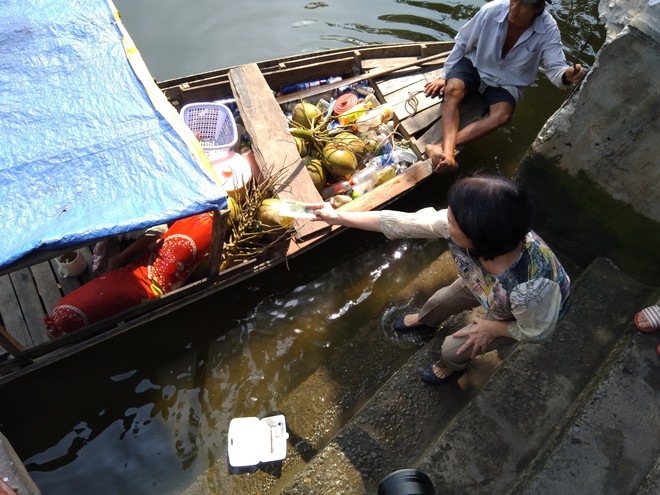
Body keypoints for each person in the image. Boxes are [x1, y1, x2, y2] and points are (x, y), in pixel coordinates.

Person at [310, 173, 571, 385]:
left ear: (477, 237)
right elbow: (401, 223)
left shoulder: (532, 287)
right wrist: (337, 217)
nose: (446, 219)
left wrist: (492, 328)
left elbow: (537, 331)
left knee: (451, 350)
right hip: (481, 281)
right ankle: (425, 321)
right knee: (437, 302)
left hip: (517, 312)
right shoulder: (482, 232)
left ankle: (452, 367)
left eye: (453, 220)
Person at [423, 0, 585, 172]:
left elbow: (555, 68)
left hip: (507, 81)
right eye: (513, 0)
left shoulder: (548, 28)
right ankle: (448, 153)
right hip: (476, 64)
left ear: (537, 8)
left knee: (503, 116)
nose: (514, 8)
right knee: (452, 90)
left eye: (523, 5)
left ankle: (438, 147)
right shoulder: (491, 10)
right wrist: (445, 76)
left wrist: (567, 76)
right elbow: (463, 42)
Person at [45, 212, 215, 338]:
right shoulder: (200, 223)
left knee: (111, 292)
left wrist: (119, 259)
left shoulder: (202, 223)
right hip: (143, 274)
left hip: (146, 279)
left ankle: (75, 324)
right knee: (107, 292)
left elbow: (159, 230)